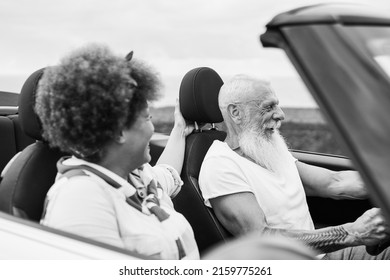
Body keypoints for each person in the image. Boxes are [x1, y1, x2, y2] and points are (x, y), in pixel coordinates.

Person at [198, 74, 390, 259]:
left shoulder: (267, 151)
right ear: (236, 113)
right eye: (268, 107)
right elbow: (260, 237)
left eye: (277, 105)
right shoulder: (220, 166)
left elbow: (334, 182)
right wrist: (350, 233)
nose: (281, 114)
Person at [36, 44, 199, 260]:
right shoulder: (80, 200)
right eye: (147, 118)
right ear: (119, 130)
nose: (151, 128)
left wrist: (180, 129)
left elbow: (168, 173)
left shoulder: (137, 175)